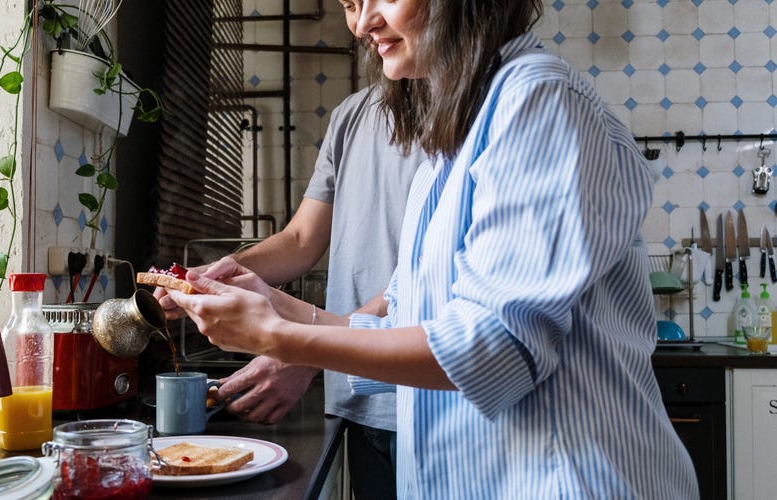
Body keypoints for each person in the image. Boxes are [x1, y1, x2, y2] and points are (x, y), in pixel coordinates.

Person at [168, 0, 699, 498]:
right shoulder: (450, 148)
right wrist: (268, 300)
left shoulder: (536, 101)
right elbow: (406, 317)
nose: (360, 25)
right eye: (351, 3)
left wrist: (280, 338)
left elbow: (497, 350)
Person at [155, 5, 427, 498]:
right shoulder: (351, 116)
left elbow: (416, 281)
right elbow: (302, 239)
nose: (363, 21)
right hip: (357, 396)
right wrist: (216, 273)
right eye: (348, 4)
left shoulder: (469, 114)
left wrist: (303, 351)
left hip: (423, 393)